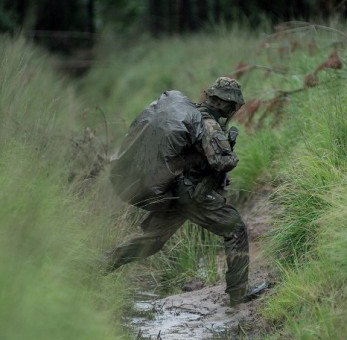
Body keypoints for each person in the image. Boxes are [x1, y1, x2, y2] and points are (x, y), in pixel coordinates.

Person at [108, 77, 265, 306]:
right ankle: (239, 292)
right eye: (232, 105)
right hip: (192, 196)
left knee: (151, 242)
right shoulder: (208, 123)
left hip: (176, 192)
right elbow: (222, 163)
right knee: (235, 228)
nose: (233, 109)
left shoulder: (190, 115)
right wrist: (229, 149)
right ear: (221, 103)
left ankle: (95, 267)